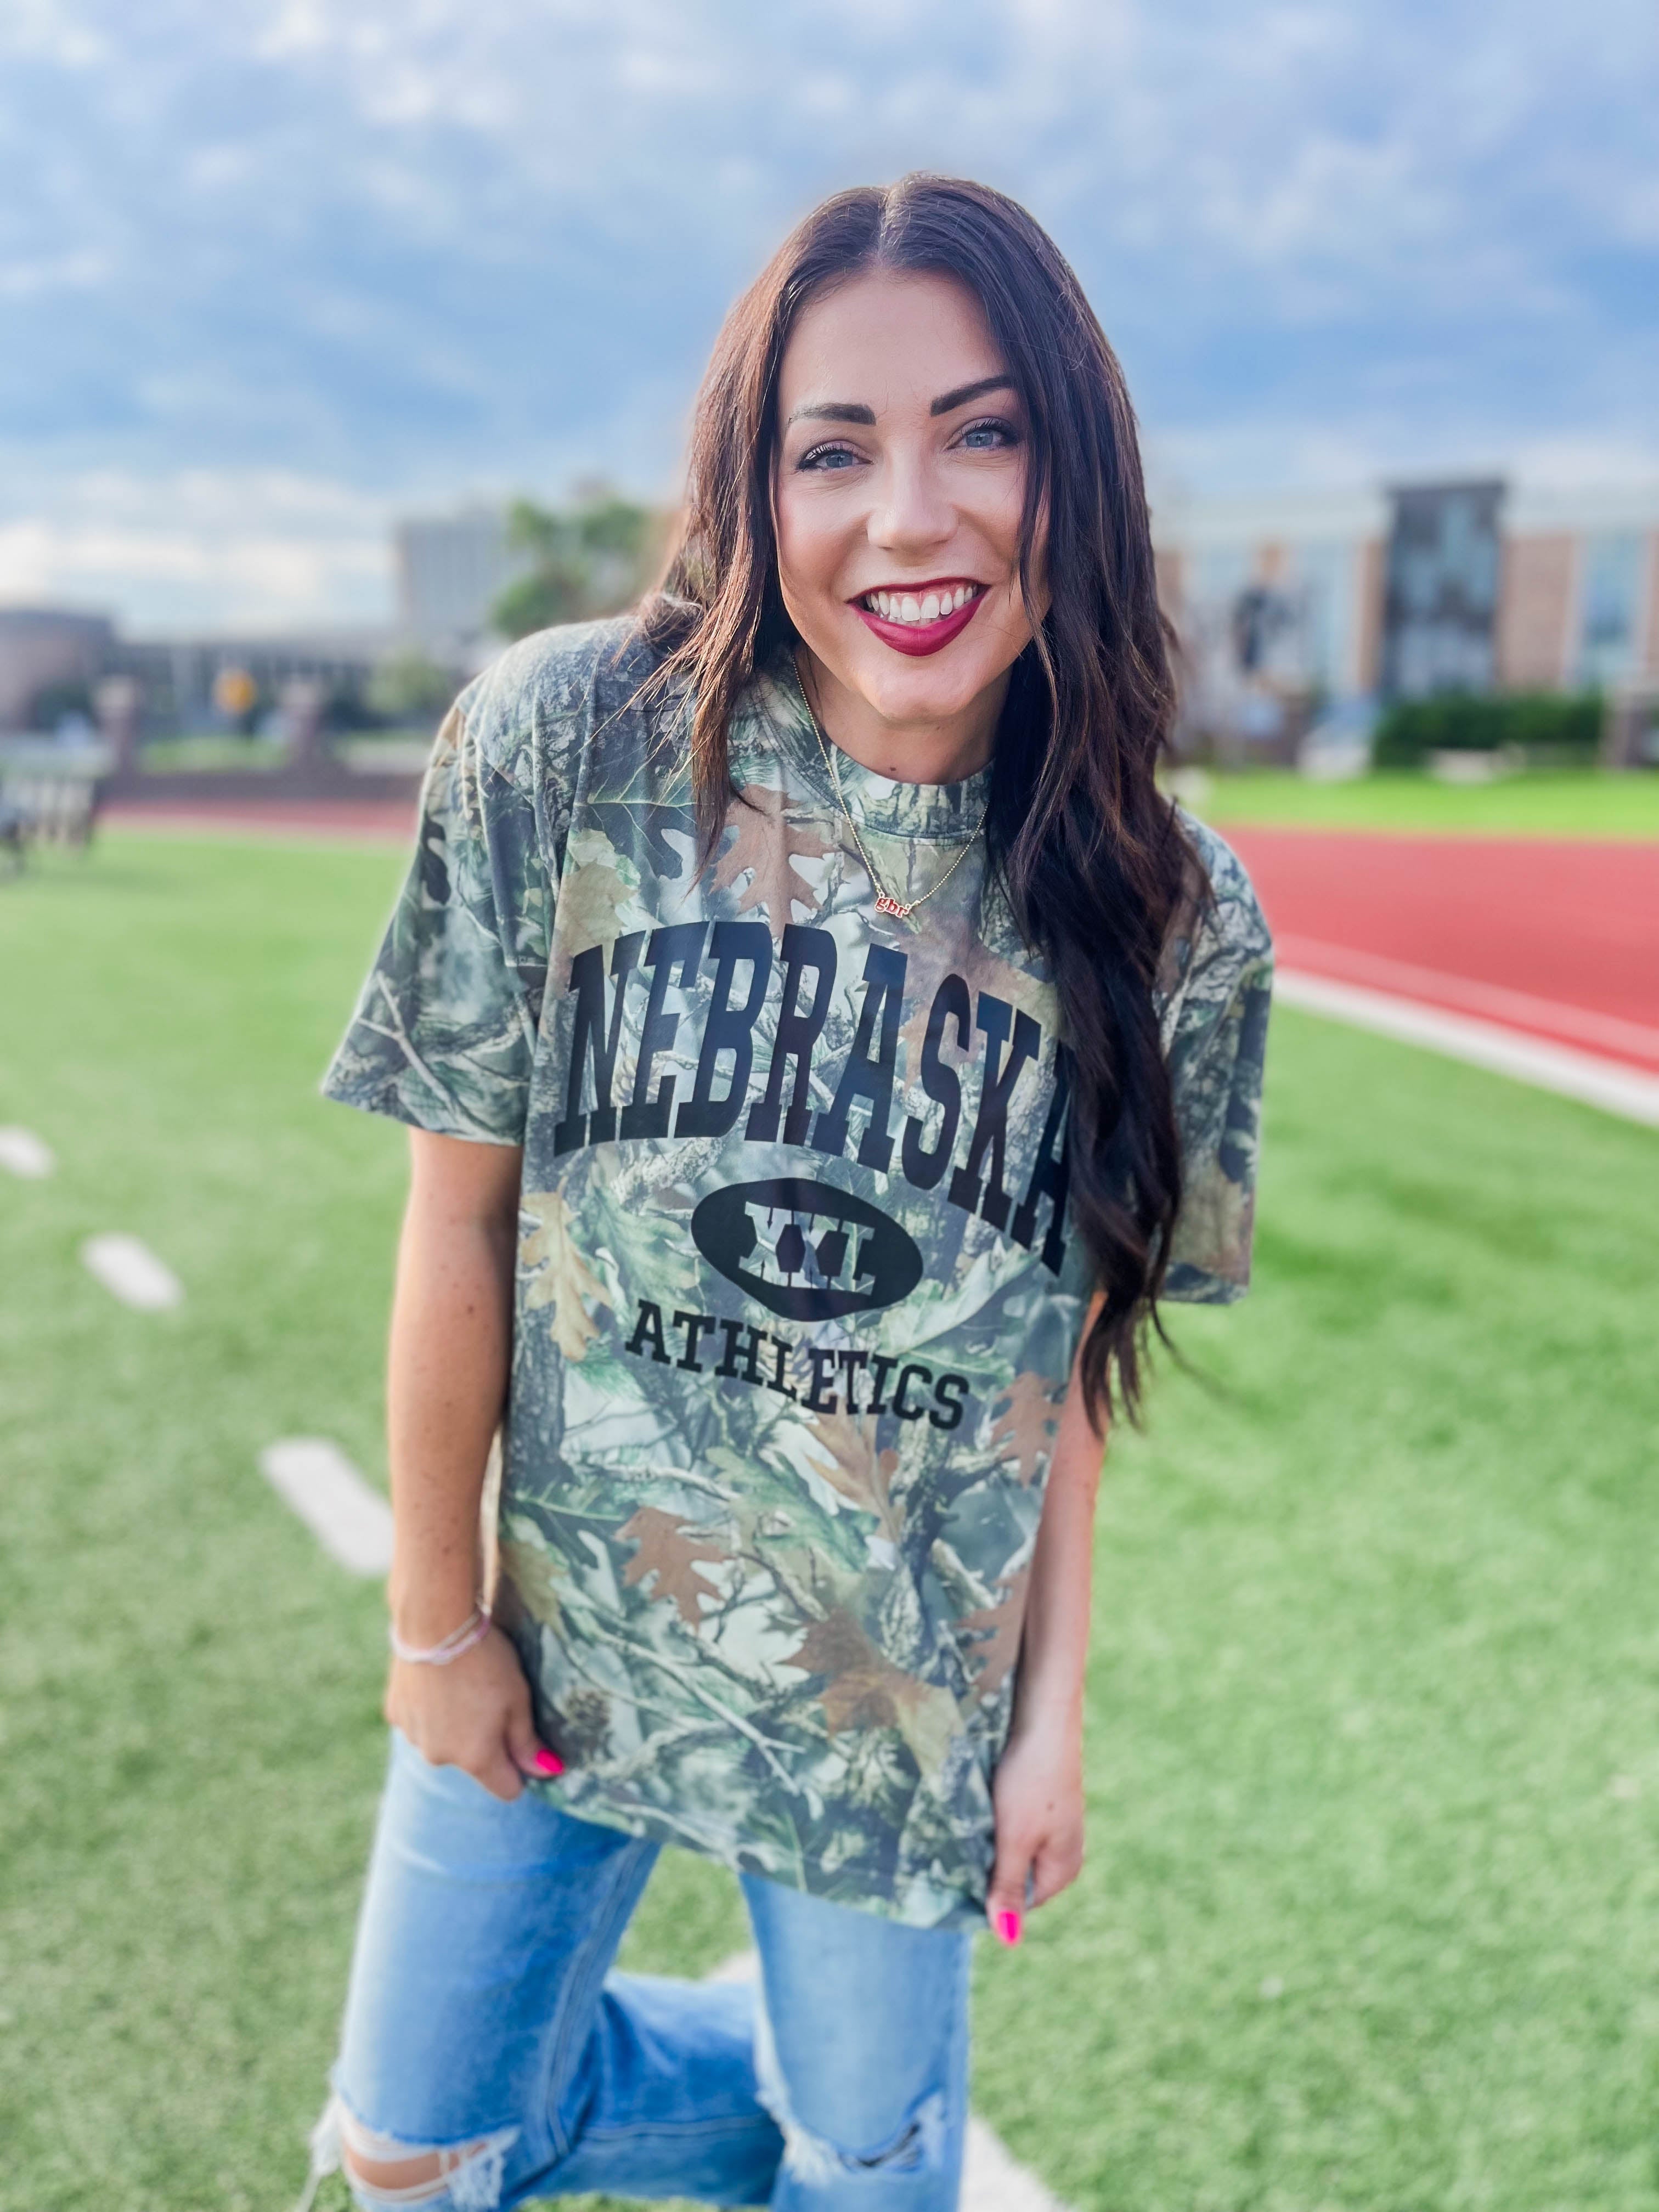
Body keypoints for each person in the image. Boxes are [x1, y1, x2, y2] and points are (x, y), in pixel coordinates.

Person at [301, 173, 1272, 2212]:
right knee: (412, 2150)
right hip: (561, 1646)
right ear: (756, 489)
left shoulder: (1173, 919)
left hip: (888, 1700)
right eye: (835, 451)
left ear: (1077, 475)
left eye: (984, 434)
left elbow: (1066, 1380)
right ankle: (862, 2104)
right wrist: (433, 1622)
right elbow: (455, 1219)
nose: (910, 516)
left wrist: (1050, 1723)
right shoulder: (569, 746)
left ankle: (872, 2117)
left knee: (860, 2169)